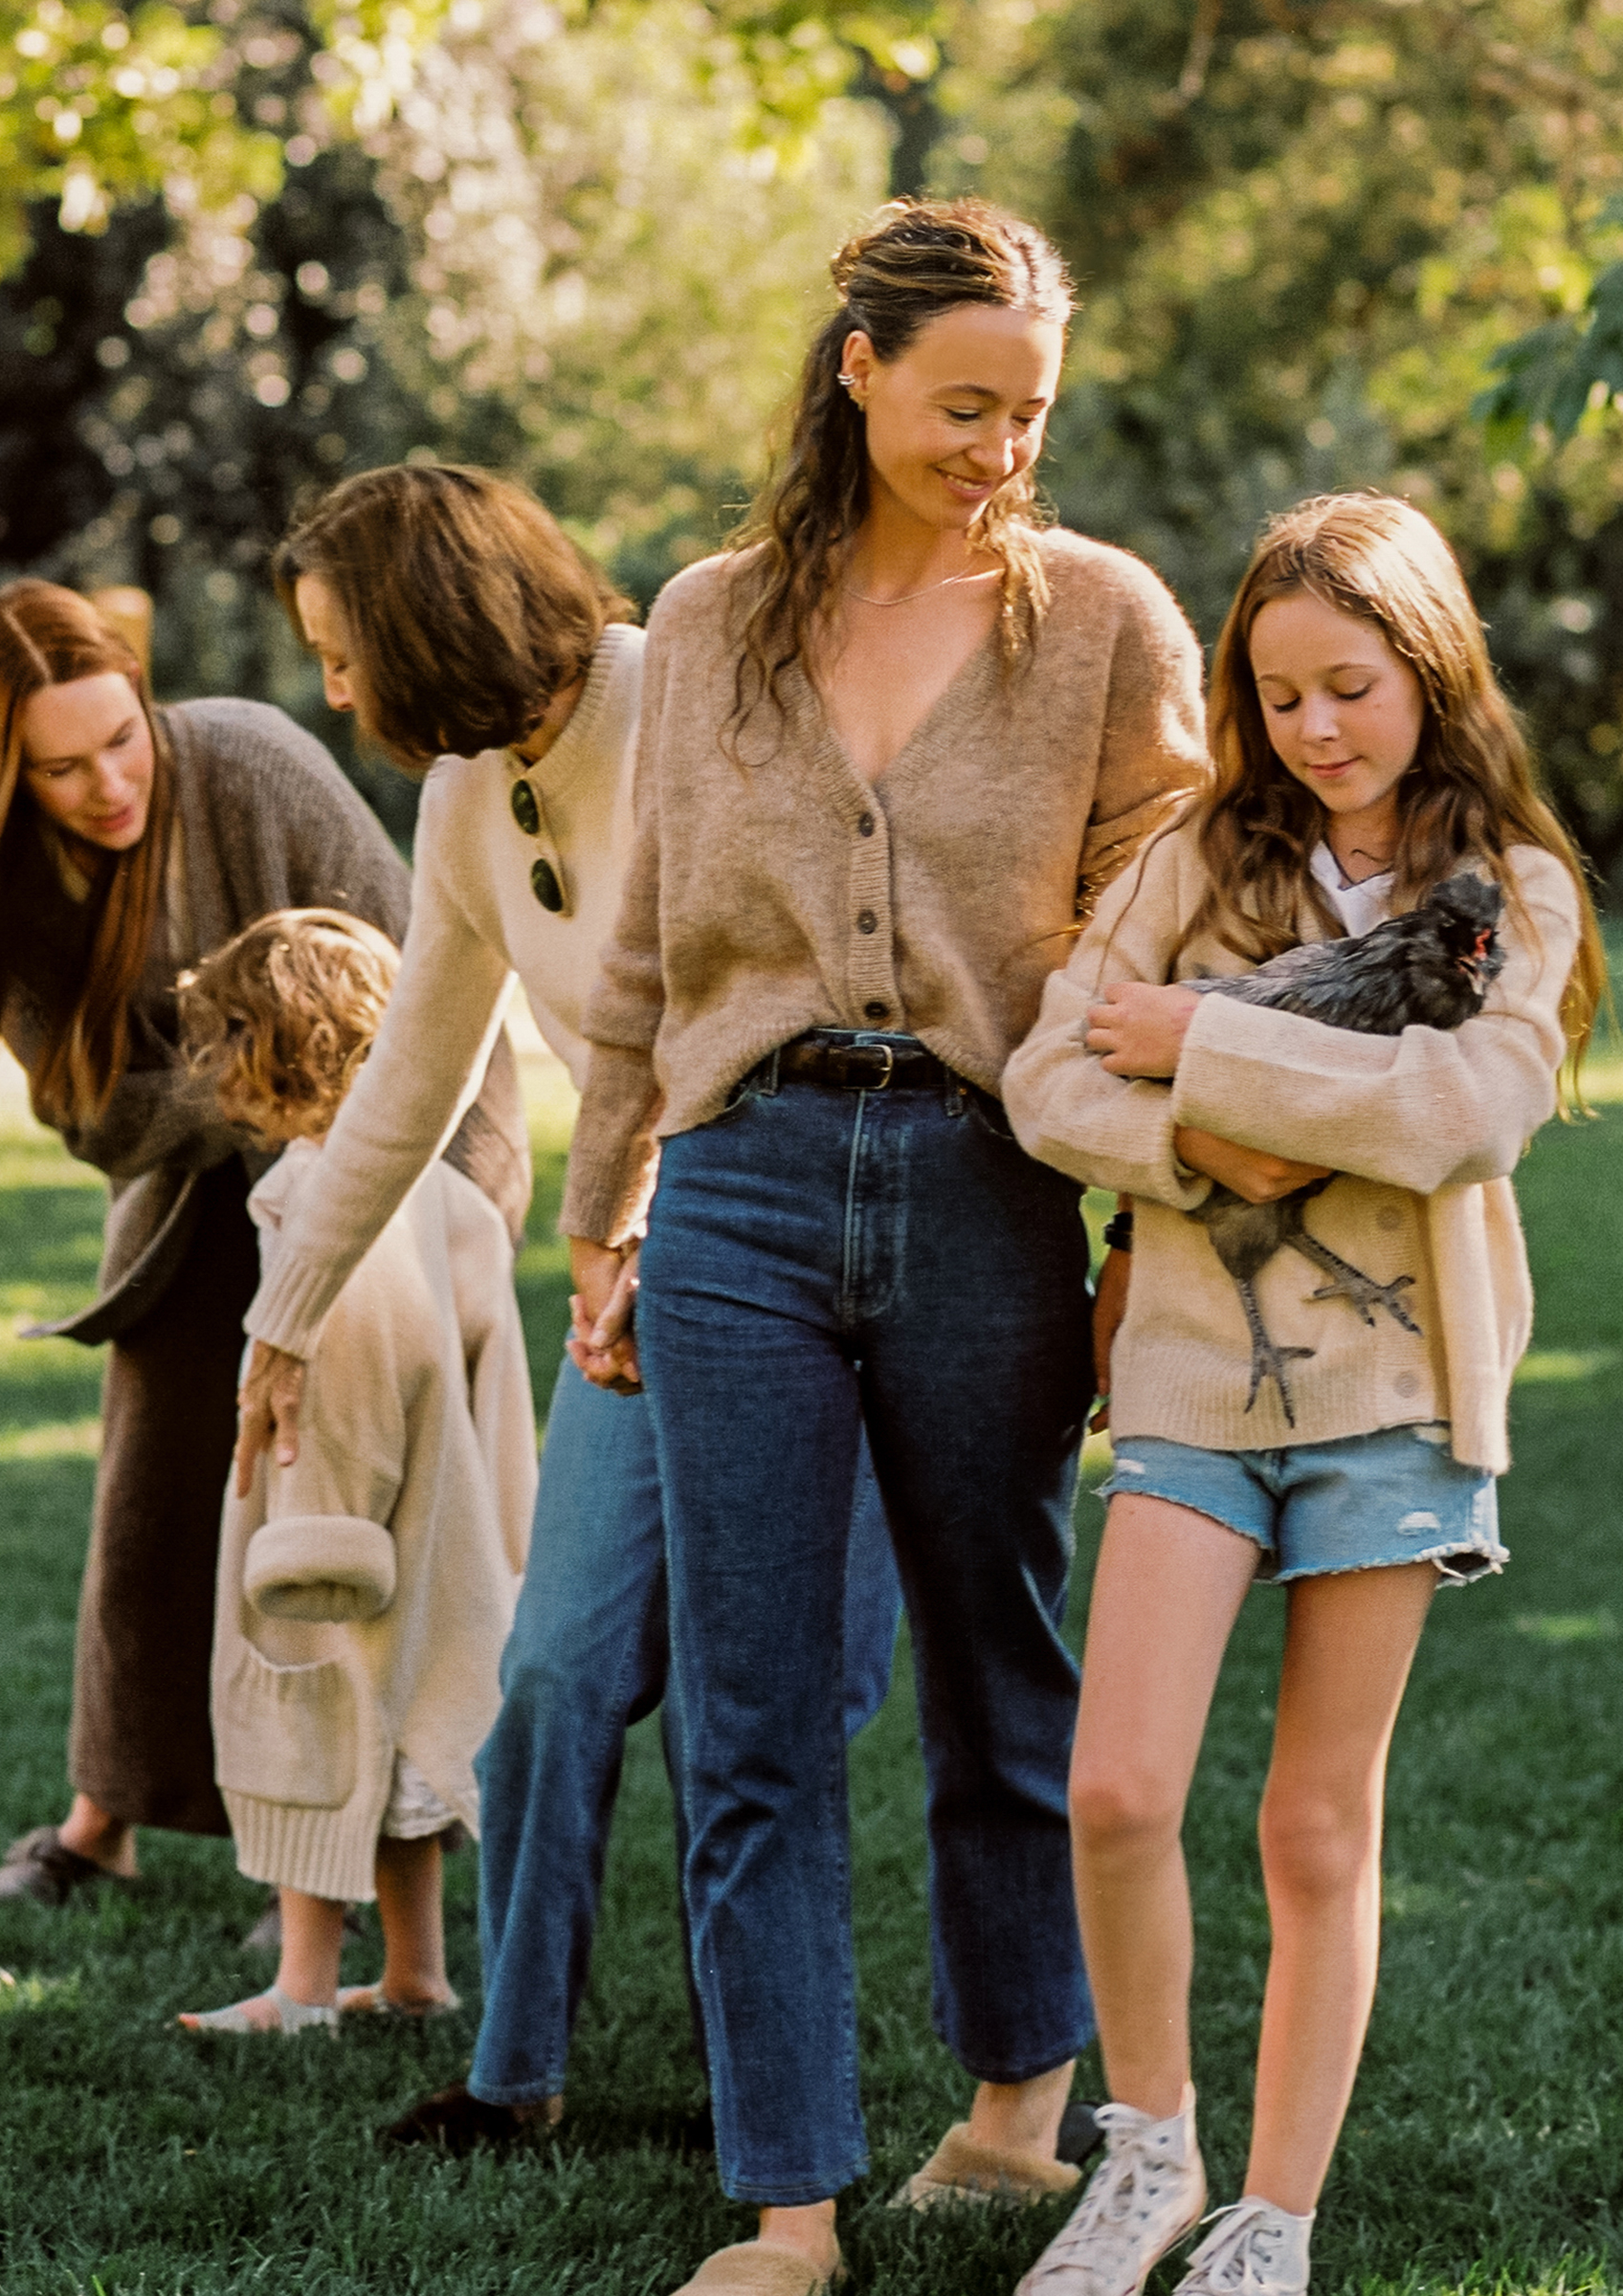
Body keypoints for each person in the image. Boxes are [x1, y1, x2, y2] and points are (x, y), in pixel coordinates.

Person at [559, 196, 1209, 2296]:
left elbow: (1184, 937)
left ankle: (1020, 2110)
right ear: (856, 371)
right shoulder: (715, 616)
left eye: (1029, 410)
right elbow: (644, 949)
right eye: (959, 405)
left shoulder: (1104, 621)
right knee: (744, 1715)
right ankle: (790, 2204)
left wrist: (1141, 1230)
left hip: (986, 1185)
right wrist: (603, 1213)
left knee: (997, 1668)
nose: (998, 446)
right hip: (741, 1181)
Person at [229, 463, 903, 2144]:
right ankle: (511, 2072)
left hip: (820, 1270)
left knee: (791, 1707)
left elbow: (785, 977)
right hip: (636, 1301)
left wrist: (650, 1212)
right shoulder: (467, 801)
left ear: (422, 619)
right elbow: (407, 1080)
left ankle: (782, 2075)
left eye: (341, 648)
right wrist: (284, 1316)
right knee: (551, 1679)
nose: (334, 691)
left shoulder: (684, 690)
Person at [1001, 492, 1608, 2296]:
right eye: (1277, 697)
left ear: (1431, 668)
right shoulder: (1192, 859)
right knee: (1114, 1789)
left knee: (1315, 1822)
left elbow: (1467, 1115)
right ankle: (1151, 2151)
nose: (1315, 730)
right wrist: (1207, 1149)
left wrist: (1207, 1044)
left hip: (1400, 1396)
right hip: (1194, 1373)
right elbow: (1046, 1076)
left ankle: (1276, 2214)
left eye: (1350, 686)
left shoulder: (1516, 887)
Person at [0, 581, 522, 1908]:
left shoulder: (248, 760)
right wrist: (245, 1094)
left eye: (122, 738)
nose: (109, 783)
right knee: (162, 1499)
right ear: (5, 774)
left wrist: (433, 1218)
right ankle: (98, 1828)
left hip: (394, 1174)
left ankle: (357, 1871)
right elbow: (91, 1116)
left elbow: (426, 993)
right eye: (62, 767)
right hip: (193, 1199)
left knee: (357, 1518)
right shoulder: (3, 874)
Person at [173, 910, 530, 2034]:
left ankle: (304, 1988)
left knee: (326, 1744)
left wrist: (315, 1527)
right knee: (406, 1766)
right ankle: (417, 1977)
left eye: (226, 1033)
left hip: (351, 1542)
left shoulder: (343, 1197)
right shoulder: (434, 1187)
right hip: (444, 1537)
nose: (210, 1062)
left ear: (284, 1045)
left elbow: (364, 1370)